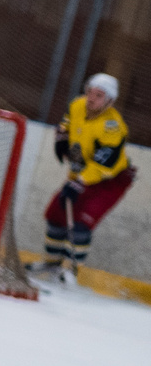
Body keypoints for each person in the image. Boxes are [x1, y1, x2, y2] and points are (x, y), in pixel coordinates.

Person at [38, 71, 132, 284]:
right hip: (83, 173)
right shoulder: (77, 105)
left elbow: (103, 165)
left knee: (81, 224)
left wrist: (78, 183)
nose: (91, 98)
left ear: (110, 101)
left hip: (110, 181)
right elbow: (67, 123)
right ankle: (52, 265)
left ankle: (70, 272)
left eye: (99, 95)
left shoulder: (113, 127)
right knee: (55, 215)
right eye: (90, 92)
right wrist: (62, 138)